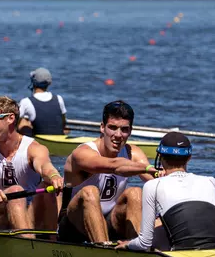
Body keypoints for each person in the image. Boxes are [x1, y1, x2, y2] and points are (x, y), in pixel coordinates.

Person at [57, 100, 156, 244]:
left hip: (110, 220)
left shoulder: (133, 152)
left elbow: (157, 181)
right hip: (74, 224)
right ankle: (104, 252)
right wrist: (147, 168)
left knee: (135, 192)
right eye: (113, 128)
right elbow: (114, 165)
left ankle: (138, 250)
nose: (118, 135)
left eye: (124, 129)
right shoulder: (82, 153)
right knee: (89, 191)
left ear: (130, 131)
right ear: (102, 128)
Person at [116, 133, 215, 251]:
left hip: (178, 255)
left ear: (160, 157)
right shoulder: (212, 182)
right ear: (189, 157)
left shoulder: (152, 185)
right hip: (211, 250)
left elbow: (144, 243)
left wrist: (127, 244)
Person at [0, 96, 64, 232]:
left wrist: (54, 176)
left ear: (10, 118)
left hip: (30, 213)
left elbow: (45, 166)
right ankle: (28, 244)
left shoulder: (33, 148)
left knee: (49, 186)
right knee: (15, 191)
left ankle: (53, 239)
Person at [18, 68, 67, 136]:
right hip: (58, 139)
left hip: (39, 142)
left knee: (23, 122)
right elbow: (63, 122)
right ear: (49, 83)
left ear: (33, 82)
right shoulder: (59, 98)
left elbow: (14, 122)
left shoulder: (26, 102)